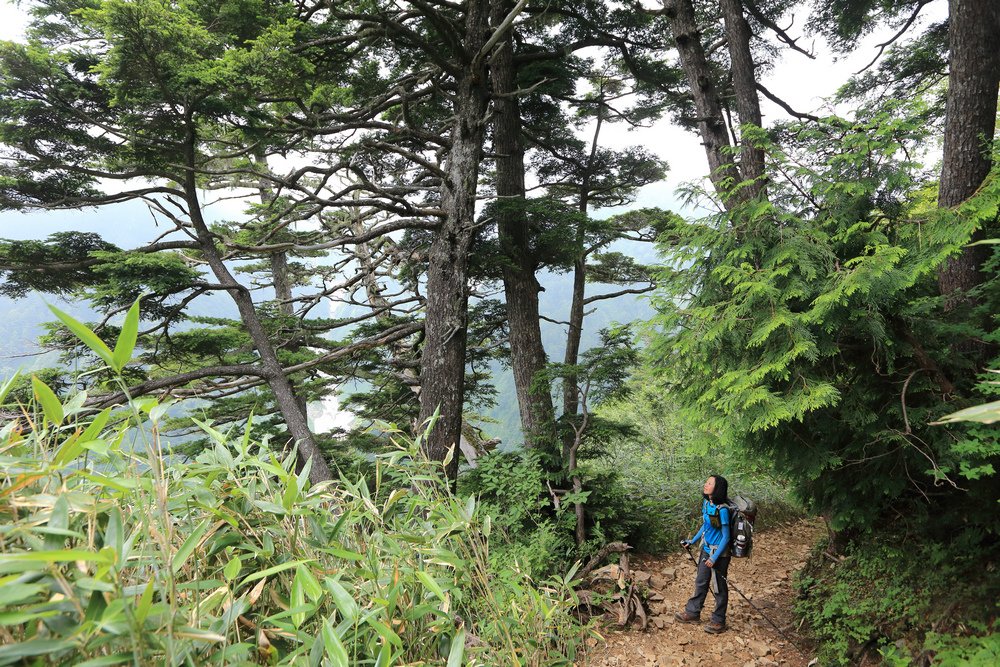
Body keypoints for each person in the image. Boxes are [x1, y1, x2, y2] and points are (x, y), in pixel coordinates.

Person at [674, 474, 732, 634]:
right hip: (706, 550)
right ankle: (693, 612)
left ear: (717, 488)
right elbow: (705, 526)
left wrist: (714, 557)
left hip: (720, 554)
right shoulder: (707, 503)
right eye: (706, 482)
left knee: (719, 587)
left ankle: (718, 621)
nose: (705, 485)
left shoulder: (723, 510)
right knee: (701, 581)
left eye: (709, 483)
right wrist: (692, 541)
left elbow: (726, 537)